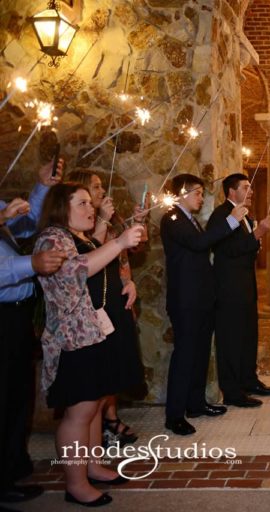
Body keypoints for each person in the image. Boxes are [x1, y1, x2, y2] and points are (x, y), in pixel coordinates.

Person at [34, 182, 144, 507]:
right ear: (60, 207)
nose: (89, 208)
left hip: (93, 332)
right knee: (79, 413)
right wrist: (119, 241)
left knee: (95, 405)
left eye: (89, 203)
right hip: (73, 339)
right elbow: (73, 272)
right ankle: (76, 483)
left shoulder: (77, 237)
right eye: (81, 203)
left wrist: (127, 281)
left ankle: (93, 465)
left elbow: (103, 268)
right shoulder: (52, 238)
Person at [160, 173, 247, 436]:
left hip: (200, 299)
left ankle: (195, 403)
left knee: (199, 354)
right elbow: (199, 244)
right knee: (185, 356)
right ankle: (174, 414)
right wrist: (232, 221)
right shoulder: (172, 218)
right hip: (185, 300)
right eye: (197, 193)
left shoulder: (190, 220)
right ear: (183, 193)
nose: (201, 198)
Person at [0, 160, 63, 507]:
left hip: (17, 317)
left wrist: (41, 186)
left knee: (18, 394)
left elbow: (28, 227)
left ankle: (13, 464)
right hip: (3, 316)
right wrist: (32, 265)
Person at [67, 170, 143, 446]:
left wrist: (129, 280)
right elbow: (87, 263)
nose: (100, 193)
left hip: (112, 297)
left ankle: (98, 447)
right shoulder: (64, 236)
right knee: (88, 398)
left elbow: (120, 256)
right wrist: (108, 230)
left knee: (107, 376)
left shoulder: (100, 223)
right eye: (94, 189)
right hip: (86, 315)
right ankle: (101, 434)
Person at [210, 173, 270, 408]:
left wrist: (255, 238)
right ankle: (232, 391)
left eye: (250, 187)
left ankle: (249, 380)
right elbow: (227, 250)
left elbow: (245, 249)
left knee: (249, 334)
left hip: (246, 283)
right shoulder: (221, 215)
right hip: (229, 287)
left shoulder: (245, 215)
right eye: (245, 187)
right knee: (231, 338)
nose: (251, 191)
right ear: (231, 191)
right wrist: (258, 234)